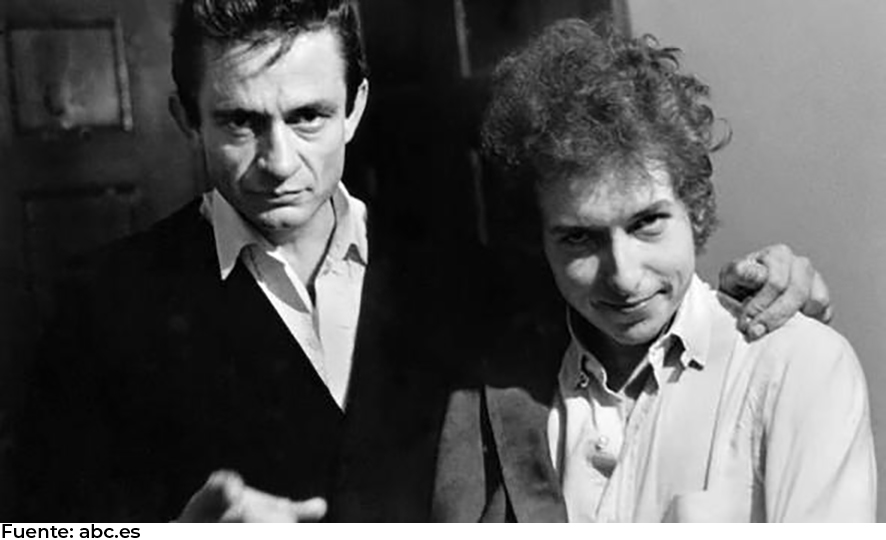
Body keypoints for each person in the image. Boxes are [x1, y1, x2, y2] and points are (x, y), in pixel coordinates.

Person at [12, 1, 833, 522]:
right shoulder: (98, 304)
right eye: (239, 122)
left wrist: (766, 295)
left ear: (356, 107)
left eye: (308, 117)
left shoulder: (472, 276)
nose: (278, 162)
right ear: (185, 117)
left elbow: (632, 308)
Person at [432, 19, 875, 522]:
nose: (623, 276)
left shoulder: (795, 367)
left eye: (646, 224)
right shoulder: (500, 397)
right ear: (541, 240)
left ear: (695, 207)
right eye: (579, 238)